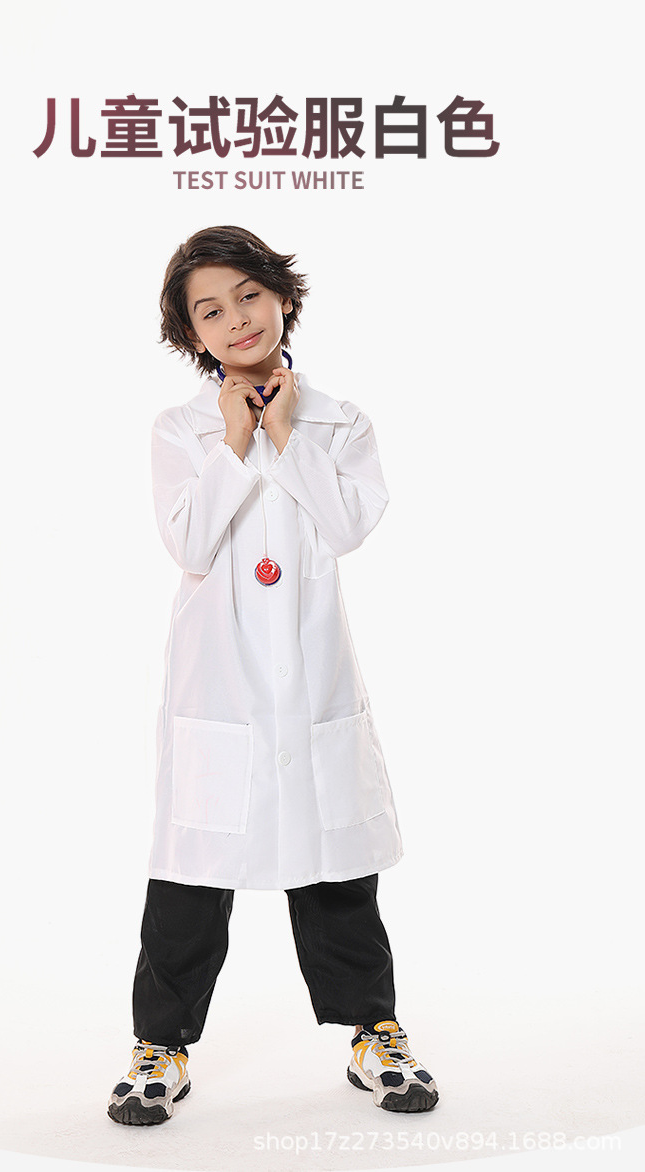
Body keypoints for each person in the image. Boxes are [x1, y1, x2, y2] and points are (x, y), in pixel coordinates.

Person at [107, 225, 439, 1126]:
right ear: (193, 336)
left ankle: (375, 1033)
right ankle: (159, 1047)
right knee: (190, 874)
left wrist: (287, 439)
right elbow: (188, 542)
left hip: (312, 684)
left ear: (283, 296)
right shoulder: (179, 431)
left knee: (337, 869)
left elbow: (347, 527)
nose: (237, 319)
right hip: (217, 688)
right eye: (210, 311)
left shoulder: (339, 421)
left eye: (249, 295)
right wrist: (234, 440)